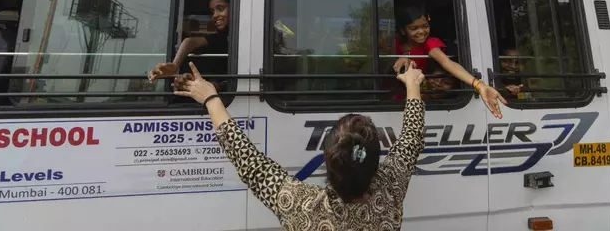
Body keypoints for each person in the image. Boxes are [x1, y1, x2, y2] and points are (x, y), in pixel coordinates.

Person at [174, 62, 427, 231]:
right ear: (376, 165)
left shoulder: (301, 205)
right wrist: (413, 84)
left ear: (328, 161)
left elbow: (249, 162)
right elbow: (411, 139)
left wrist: (210, 97)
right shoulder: (390, 190)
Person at [392, 4, 507, 118]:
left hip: (419, 93)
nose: (421, 31)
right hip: (394, 94)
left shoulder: (430, 43)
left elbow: (448, 63)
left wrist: (479, 85)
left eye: (425, 26)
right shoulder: (393, 43)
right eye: (414, 28)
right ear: (403, 30)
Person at [148, 0, 230, 90]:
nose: (214, 15)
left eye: (220, 8)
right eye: (212, 11)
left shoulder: (238, 37)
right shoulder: (222, 36)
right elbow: (191, 42)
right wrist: (174, 65)